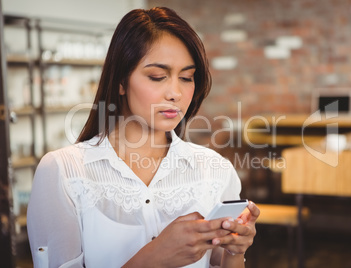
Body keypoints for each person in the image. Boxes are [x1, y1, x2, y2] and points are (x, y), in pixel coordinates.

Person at [27, 7, 259, 268]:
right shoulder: (64, 172)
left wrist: (234, 252)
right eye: (157, 77)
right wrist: (154, 257)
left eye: (186, 77)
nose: (175, 93)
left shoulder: (215, 171)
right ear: (121, 81)